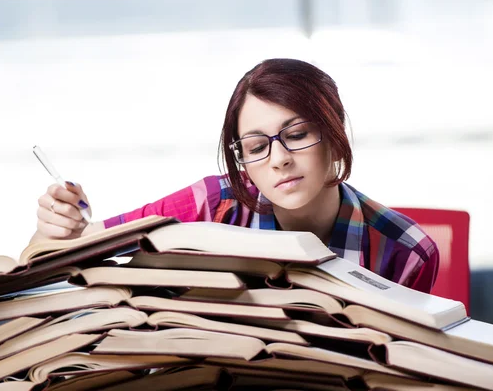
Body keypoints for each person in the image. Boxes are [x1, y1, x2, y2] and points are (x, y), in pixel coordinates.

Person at [30, 58, 439, 293]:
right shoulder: (209, 203)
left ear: (333, 134)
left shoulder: (407, 252)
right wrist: (58, 227)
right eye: (257, 147)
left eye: (296, 135)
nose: (278, 159)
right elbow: (51, 254)